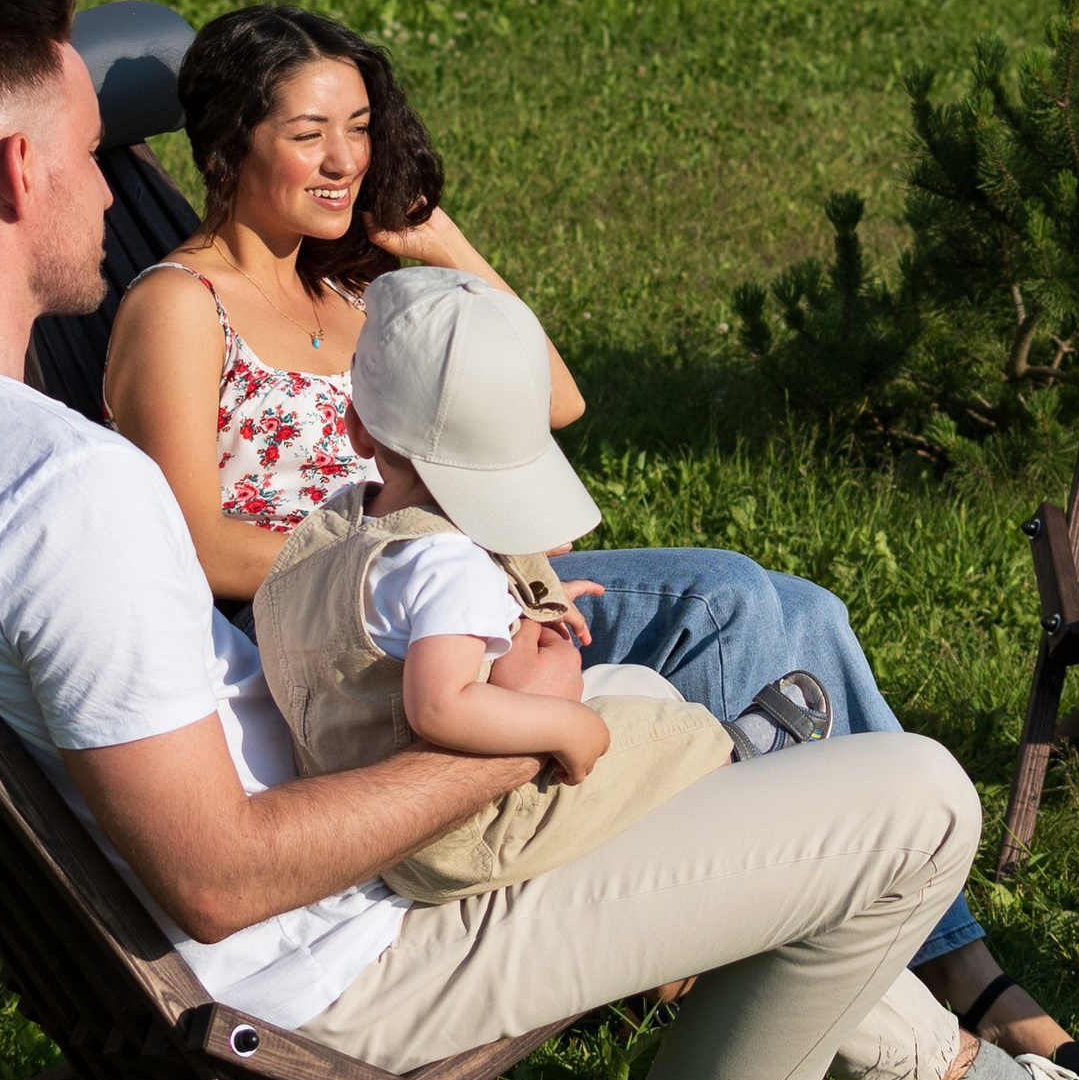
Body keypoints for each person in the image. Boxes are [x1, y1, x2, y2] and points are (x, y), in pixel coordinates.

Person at [0, 0, 1079, 1080]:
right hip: (347, 967)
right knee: (915, 795)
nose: (118, 189)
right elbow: (216, 879)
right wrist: (520, 740)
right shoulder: (70, 494)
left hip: (334, 882)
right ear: (13, 169)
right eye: (97, 151)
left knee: (656, 706)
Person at [103, 2, 1079, 1080]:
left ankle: (909, 952)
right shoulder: (180, 308)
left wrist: (433, 236)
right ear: (226, 144)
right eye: (309, 133)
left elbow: (548, 399)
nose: (345, 162)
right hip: (361, 628)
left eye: (360, 128)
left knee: (800, 610)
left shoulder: (352, 280)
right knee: (734, 609)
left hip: (467, 579)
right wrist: (391, 581)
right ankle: (917, 980)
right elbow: (190, 542)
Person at [251, 264, 785, 898]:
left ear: (359, 427)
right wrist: (566, 727)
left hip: (349, 806)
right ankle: (734, 752)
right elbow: (441, 705)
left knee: (624, 697)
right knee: (646, 734)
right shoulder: (450, 566)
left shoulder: (337, 529)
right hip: (457, 838)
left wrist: (521, 606)